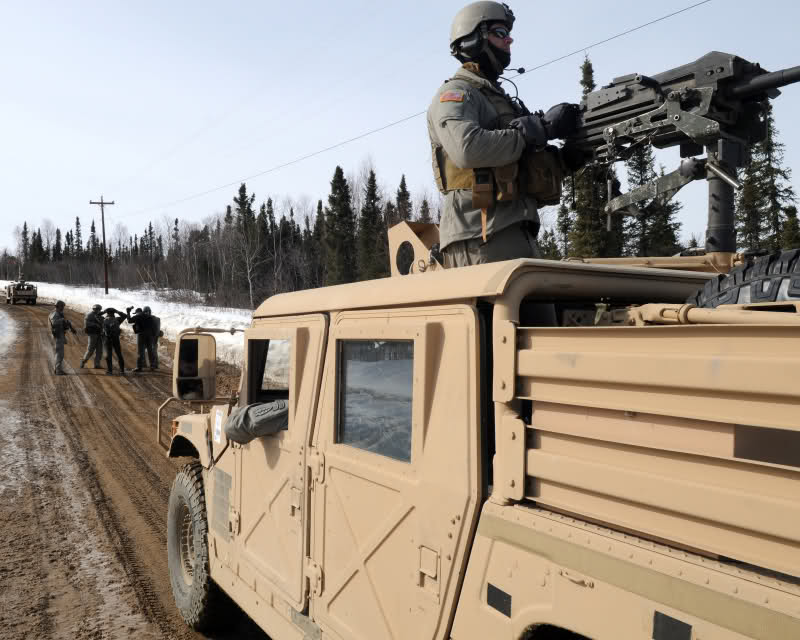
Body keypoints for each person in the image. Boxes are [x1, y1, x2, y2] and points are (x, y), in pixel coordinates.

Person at [427, 2, 580, 267]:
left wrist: (569, 158)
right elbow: (468, 149)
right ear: (473, 38)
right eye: (499, 32)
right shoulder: (456, 94)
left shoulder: (501, 101)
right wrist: (540, 129)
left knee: (548, 309)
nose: (509, 39)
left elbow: (521, 165)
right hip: (481, 236)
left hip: (519, 233)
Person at [48, 300, 77, 375]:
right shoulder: (54, 314)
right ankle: (58, 370)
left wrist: (70, 327)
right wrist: (62, 320)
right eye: (62, 306)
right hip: (57, 335)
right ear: (58, 306)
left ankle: (57, 369)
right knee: (59, 353)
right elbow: (54, 323)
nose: (63, 308)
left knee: (60, 353)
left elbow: (65, 321)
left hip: (60, 334)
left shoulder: (59, 313)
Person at [126, 305, 155, 372]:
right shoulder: (151, 317)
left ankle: (139, 367)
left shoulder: (139, 316)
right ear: (149, 311)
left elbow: (129, 321)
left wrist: (128, 312)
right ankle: (152, 366)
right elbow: (154, 328)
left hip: (141, 335)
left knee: (140, 351)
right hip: (149, 335)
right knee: (150, 351)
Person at [102, 308, 127, 375]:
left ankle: (110, 371)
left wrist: (104, 311)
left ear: (107, 313)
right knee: (119, 354)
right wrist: (117, 311)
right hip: (115, 339)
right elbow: (125, 315)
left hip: (107, 339)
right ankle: (122, 370)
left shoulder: (104, 320)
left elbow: (96, 316)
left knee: (108, 355)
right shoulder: (117, 320)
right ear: (114, 313)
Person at [80, 303, 105, 369]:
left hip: (99, 334)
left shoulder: (100, 315)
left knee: (99, 351)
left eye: (99, 309)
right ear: (93, 309)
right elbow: (86, 324)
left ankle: (97, 364)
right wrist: (95, 324)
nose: (98, 310)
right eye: (96, 309)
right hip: (92, 334)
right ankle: (83, 361)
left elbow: (103, 323)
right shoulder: (89, 315)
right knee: (90, 350)